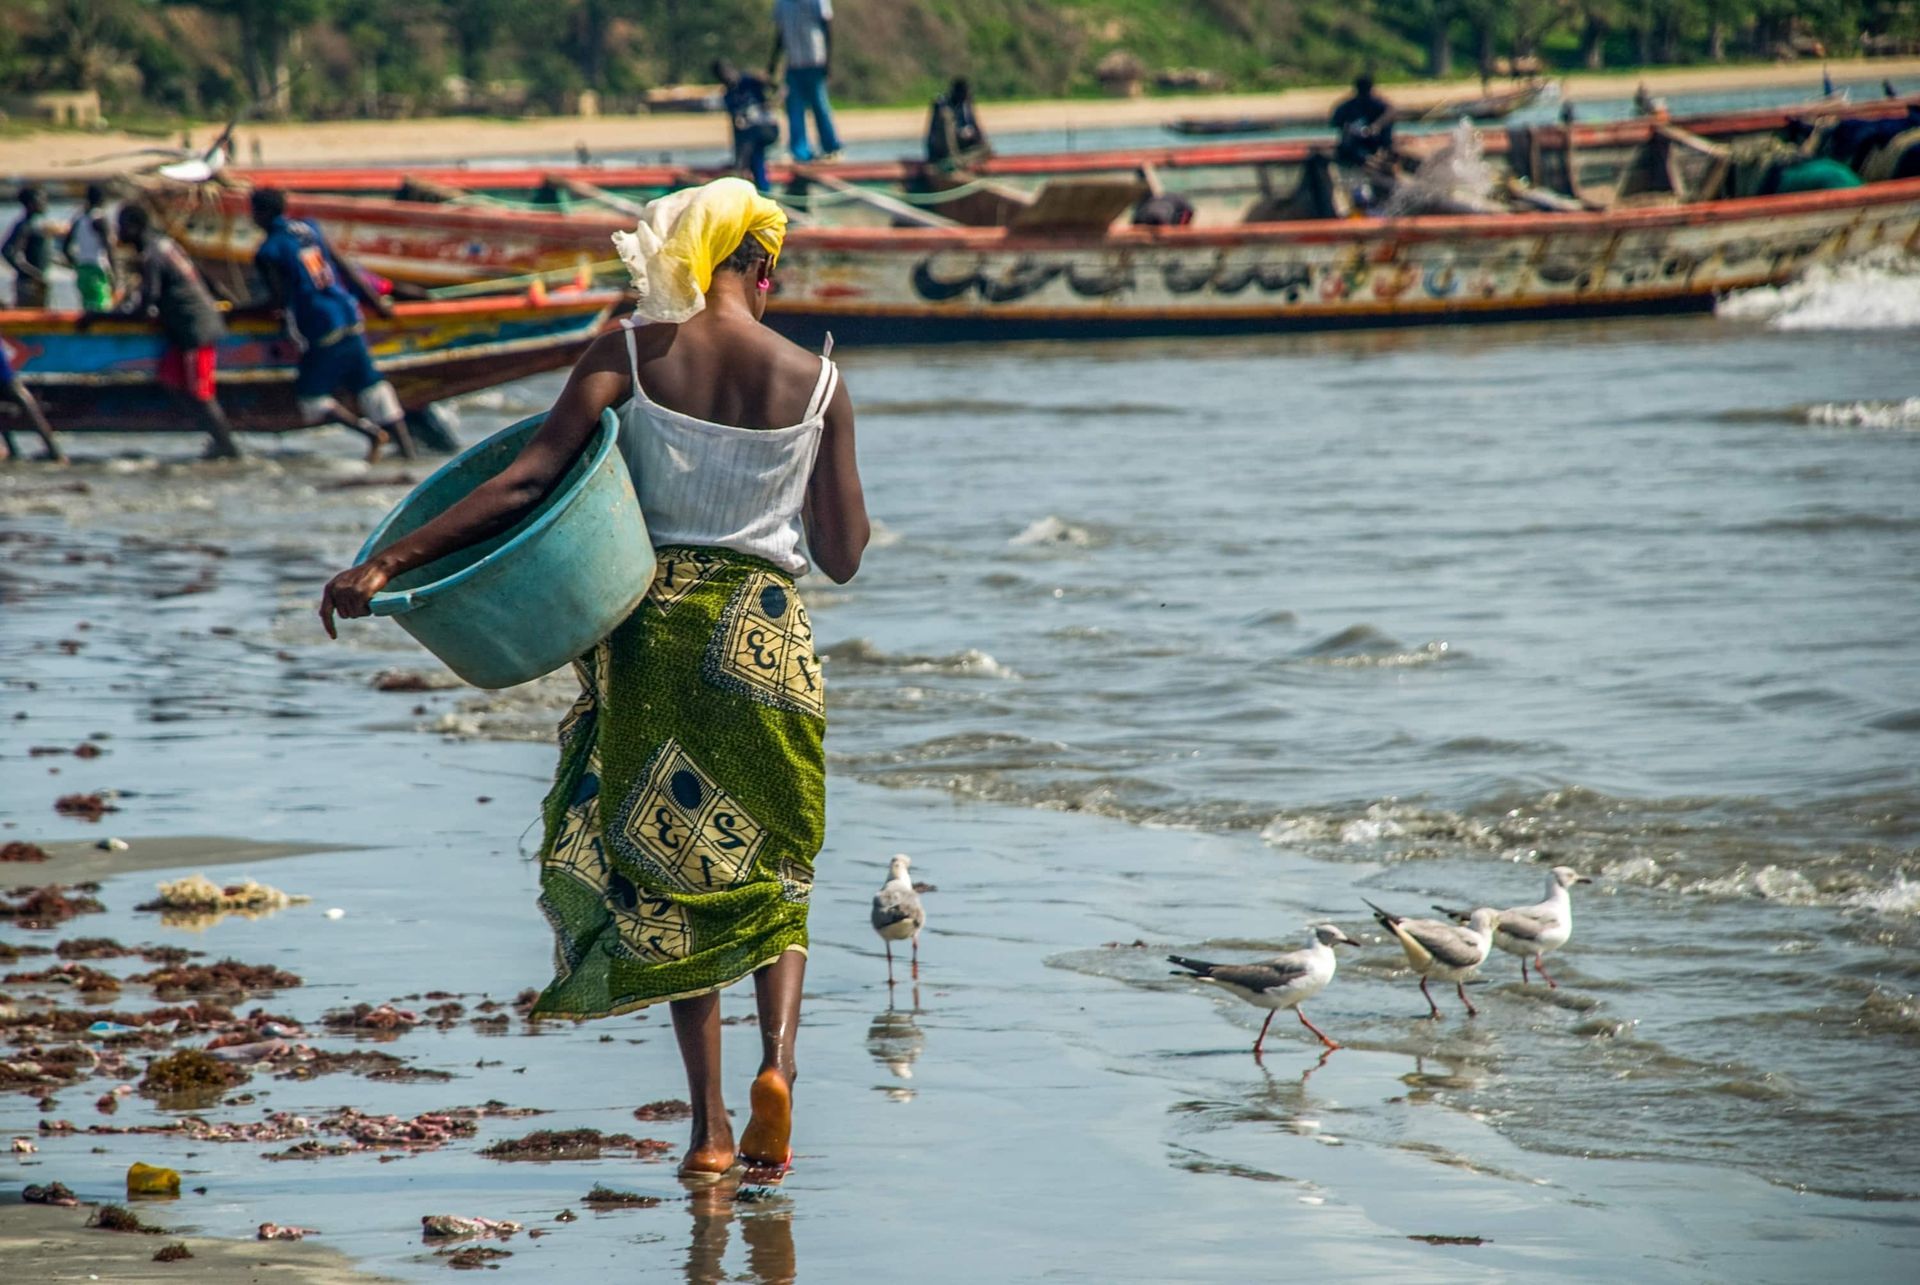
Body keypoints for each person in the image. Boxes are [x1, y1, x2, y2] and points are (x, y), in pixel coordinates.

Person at [316, 178, 869, 1185]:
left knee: (672, 875)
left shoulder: (627, 353)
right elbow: (842, 554)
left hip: (653, 635)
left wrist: (390, 563)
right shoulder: (819, 383)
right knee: (779, 868)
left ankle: (706, 1130)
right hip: (768, 641)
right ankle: (778, 1068)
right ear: (765, 269)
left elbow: (527, 481)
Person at [247, 187, 414, 461]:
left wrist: (237, 312)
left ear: (259, 213)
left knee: (311, 398)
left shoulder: (269, 250)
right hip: (348, 313)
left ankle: (371, 434)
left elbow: (276, 302)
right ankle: (409, 454)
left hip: (320, 325)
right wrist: (375, 302)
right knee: (372, 387)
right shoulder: (309, 228)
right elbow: (344, 266)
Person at [110, 204, 242, 460]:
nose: (118, 232)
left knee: (200, 393)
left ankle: (228, 447)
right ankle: (213, 437)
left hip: (194, 329)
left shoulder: (152, 254)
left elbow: (149, 299)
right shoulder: (165, 244)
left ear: (134, 227)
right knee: (171, 381)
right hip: (181, 331)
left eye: (122, 226)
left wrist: (106, 317)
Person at [769, 0, 842, 163]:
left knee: (820, 106)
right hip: (794, 63)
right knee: (794, 109)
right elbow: (780, 34)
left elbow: (827, 29)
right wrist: (773, 62)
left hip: (815, 61)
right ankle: (799, 152)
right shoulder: (782, 3)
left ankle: (831, 148)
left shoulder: (817, 1)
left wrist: (828, 62)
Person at [0, 331, 66, 463]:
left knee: (31, 410)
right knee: (25, 411)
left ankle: (55, 453)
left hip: (7, 380)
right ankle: (12, 451)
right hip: (8, 380)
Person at [716, 58, 779, 192]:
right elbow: (736, 125)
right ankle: (761, 188)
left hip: (766, 129)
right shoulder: (729, 96)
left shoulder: (749, 81)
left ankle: (742, 172)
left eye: (728, 72)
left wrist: (766, 80)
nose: (727, 76)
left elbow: (774, 86)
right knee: (756, 156)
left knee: (751, 146)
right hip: (750, 137)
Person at [62, 184, 116, 312]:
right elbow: (108, 247)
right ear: (102, 200)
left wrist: (75, 263)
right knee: (102, 307)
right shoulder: (100, 219)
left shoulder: (79, 219)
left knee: (87, 306)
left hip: (82, 268)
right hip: (97, 268)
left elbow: (65, 247)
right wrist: (115, 274)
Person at [3, 186, 54, 309]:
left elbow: (42, 253)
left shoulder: (37, 225)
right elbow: (8, 252)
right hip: (28, 285)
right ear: (32, 203)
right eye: (42, 199)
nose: (45, 203)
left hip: (39, 284)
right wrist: (34, 274)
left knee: (41, 322)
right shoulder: (24, 226)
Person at [1330, 74, 1393, 167]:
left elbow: (1390, 114)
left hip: (1375, 142)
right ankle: (1366, 159)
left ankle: (1375, 158)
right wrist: (1349, 128)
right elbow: (1336, 121)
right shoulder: (1349, 106)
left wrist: (1376, 126)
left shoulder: (1379, 105)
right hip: (1355, 144)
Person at [925, 77, 989, 168]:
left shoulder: (966, 104)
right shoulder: (942, 105)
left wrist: (976, 138)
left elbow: (974, 125)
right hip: (941, 147)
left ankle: (960, 160)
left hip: (960, 145)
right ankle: (953, 159)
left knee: (986, 148)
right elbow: (940, 132)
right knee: (947, 117)